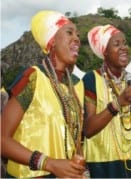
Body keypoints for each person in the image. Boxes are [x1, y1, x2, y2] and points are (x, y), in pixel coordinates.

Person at [1, 10, 86, 178]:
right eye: (69, 33)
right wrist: (49, 163)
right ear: (52, 41)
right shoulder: (33, 78)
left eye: (78, 35)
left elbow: (76, 138)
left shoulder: (76, 85)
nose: (77, 38)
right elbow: (2, 139)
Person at [82, 24, 131, 178]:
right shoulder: (91, 79)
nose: (124, 48)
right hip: (103, 166)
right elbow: (88, 129)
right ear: (105, 52)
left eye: (125, 43)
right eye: (116, 44)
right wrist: (118, 103)